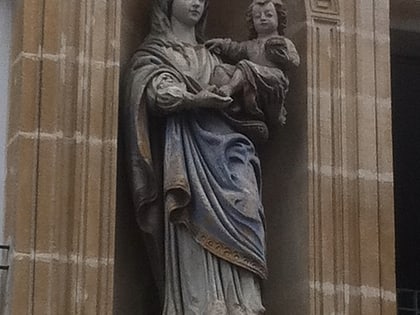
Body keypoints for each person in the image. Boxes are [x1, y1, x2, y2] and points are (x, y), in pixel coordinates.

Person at [122, 0, 291, 313]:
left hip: (230, 149)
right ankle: (200, 302)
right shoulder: (155, 53)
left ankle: (243, 302)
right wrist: (193, 98)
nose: (197, 2)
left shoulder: (213, 54)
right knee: (190, 222)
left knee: (248, 203)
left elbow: (249, 95)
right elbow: (152, 90)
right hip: (187, 151)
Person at [206, 0, 299, 125]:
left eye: (269, 15)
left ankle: (229, 89)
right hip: (252, 78)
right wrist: (222, 44)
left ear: (279, 18)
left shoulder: (283, 42)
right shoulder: (250, 45)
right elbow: (235, 48)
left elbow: (294, 61)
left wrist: (284, 58)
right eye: (257, 16)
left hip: (274, 80)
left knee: (245, 65)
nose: (263, 19)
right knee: (221, 69)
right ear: (252, 21)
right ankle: (234, 105)